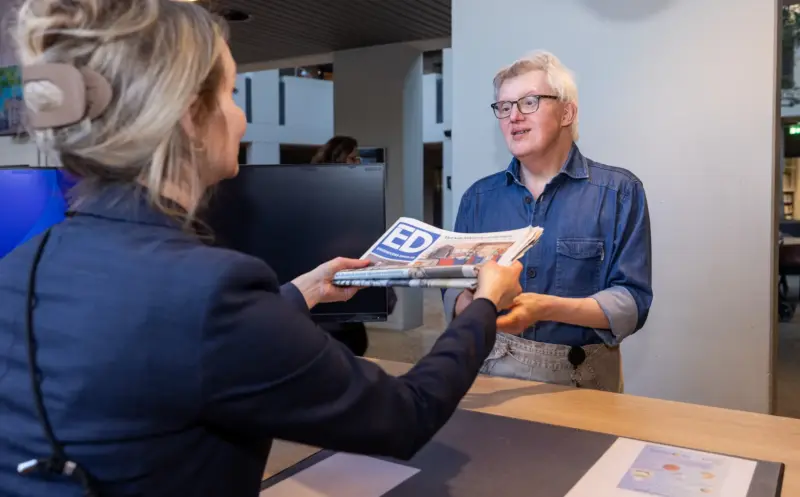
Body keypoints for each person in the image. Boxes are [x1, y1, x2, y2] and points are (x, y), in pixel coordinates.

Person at [0, 1, 524, 497]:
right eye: (230, 94)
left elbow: (169, 347)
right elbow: (403, 415)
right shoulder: (208, 290)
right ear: (188, 116)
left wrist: (301, 293)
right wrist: (482, 305)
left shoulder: (20, 268)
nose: (241, 118)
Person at [444, 50, 653, 393]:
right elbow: (453, 292)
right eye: (505, 107)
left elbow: (632, 303)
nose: (513, 117)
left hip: (582, 375)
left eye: (529, 102)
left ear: (568, 111)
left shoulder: (620, 192)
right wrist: (470, 303)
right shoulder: (477, 198)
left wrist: (542, 308)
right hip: (489, 365)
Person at [309, 135, 386, 356]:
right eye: (353, 158)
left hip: (350, 305)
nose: (358, 164)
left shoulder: (356, 199)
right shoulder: (317, 201)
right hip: (325, 308)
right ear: (337, 159)